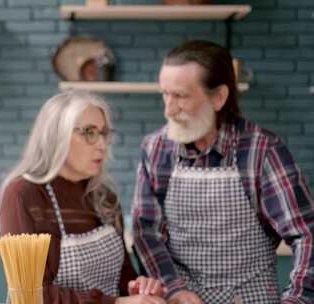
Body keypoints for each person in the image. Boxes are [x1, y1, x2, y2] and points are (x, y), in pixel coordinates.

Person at [132, 40, 314, 304]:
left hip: (251, 298)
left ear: (218, 97)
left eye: (181, 96)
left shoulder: (263, 150)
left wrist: (297, 298)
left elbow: (307, 233)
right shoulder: (155, 148)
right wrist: (173, 289)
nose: (168, 110)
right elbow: (145, 231)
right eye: (165, 94)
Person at [0, 90, 167, 304]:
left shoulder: (105, 198)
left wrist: (138, 289)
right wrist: (115, 303)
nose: (102, 145)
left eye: (104, 133)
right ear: (56, 136)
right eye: (89, 132)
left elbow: (123, 278)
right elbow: (30, 294)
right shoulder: (23, 195)